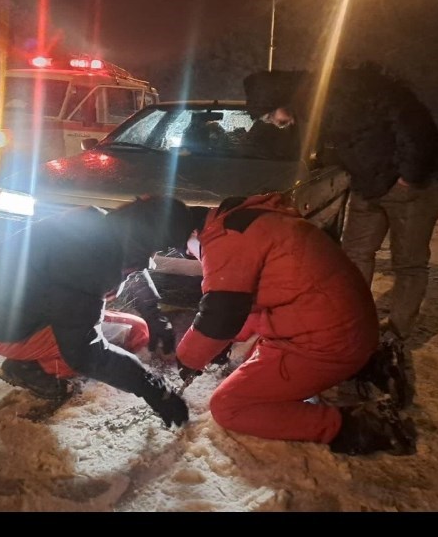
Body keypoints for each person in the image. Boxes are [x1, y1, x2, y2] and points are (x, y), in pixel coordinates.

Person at [175, 194, 416, 456]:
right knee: (251, 354)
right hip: (347, 326)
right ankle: (370, 365)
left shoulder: (226, 241)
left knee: (229, 406)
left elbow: (221, 317)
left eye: (186, 250)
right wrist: (220, 343)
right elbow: (248, 307)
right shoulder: (246, 220)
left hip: (329, 342)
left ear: (192, 234)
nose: (190, 255)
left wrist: (188, 359)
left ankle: (359, 426)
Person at [243, 64, 438, 342]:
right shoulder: (312, 105)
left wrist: (409, 177)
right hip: (368, 185)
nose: (275, 122)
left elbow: (415, 124)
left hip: (413, 186)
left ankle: (396, 331)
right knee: (354, 253)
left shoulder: (349, 91)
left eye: (270, 115)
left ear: (280, 99)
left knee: (409, 262)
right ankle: (352, 317)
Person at [0, 195, 194, 428]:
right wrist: (152, 388)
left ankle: (39, 356)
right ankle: (27, 368)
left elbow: (132, 272)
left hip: (31, 308)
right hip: (7, 329)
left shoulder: (107, 227)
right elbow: (84, 352)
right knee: (78, 360)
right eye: (152, 250)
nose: (150, 261)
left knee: (136, 331)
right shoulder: (85, 261)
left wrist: (153, 314)